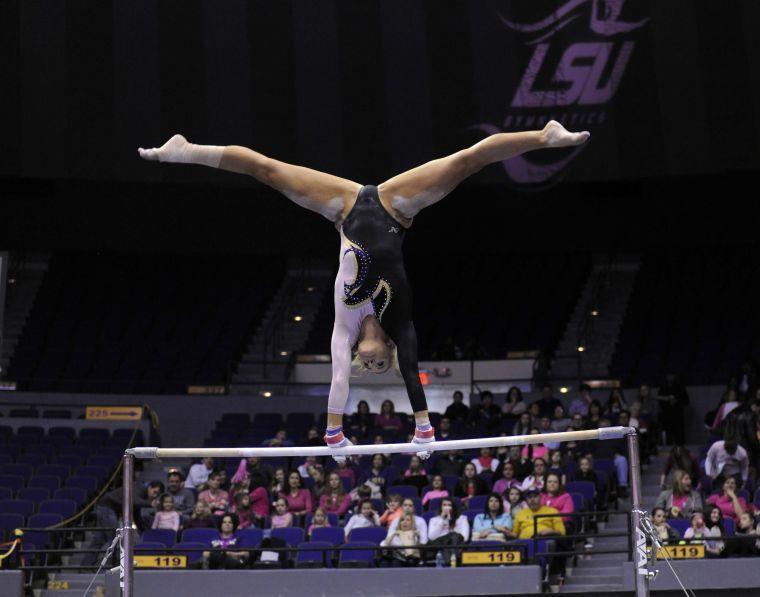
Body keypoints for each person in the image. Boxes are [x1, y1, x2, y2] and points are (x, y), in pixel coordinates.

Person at [139, 121, 589, 460]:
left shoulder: (344, 323)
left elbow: (338, 379)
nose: (371, 362)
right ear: (388, 349)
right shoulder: (399, 322)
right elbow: (413, 374)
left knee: (266, 171)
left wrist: (334, 434)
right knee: (465, 161)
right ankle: (544, 137)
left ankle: (187, 151)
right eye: (379, 363)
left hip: (345, 206)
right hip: (396, 207)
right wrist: (424, 429)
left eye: (367, 365)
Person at [426, 498, 469, 564]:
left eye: (449, 505)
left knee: (454, 536)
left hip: (455, 546)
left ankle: (450, 561)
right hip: (439, 547)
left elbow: (465, 538)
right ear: (441, 507)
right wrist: (442, 520)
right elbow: (431, 537)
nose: (447, 507)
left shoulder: (462, 519)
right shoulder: (434, 520)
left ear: (453, 507)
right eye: (444, 505)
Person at [657, 373, 690, 445]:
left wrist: (676, 401)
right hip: (666, 415)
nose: (670, 377)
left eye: (671, 375)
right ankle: (669, 452)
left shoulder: (680, 387)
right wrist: (666, 400)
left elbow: (686, 401)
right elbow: (659, 400)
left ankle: (680, 451)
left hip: (678, 415)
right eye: (668, 376)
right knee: (668, 434)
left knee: (679, 435)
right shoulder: (663, 387)